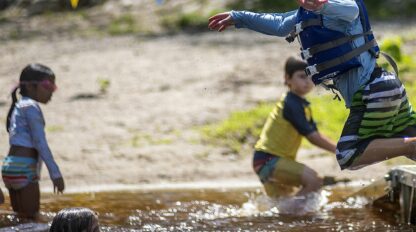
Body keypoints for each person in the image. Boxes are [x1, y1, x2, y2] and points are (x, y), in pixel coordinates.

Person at [208, 0, 416, 171]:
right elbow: (280, 24)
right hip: (388, 85)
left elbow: (351, 10)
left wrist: (323, 5)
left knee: (348, 154)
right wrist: (239, 17)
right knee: (403, 138)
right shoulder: (307, 12)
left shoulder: (340, 7)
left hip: (373, 92)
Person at [253, 57, 336, 197]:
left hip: (268, 161)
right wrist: (339, 151)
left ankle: (294, 217)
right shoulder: (292, 104)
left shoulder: (300, 104)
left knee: (284, 209)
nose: (308, 81)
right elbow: (313, 137)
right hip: (269, 161)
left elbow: (316, 133)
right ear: (287, 78)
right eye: (302, 76)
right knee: (314, 181)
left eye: (311, 76)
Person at [1, 63, 65, 218]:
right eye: (48, 85)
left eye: (53, 87)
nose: (51, 91)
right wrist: (55, 174)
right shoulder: (31, 107)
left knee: (20, 220)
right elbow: (40, 143)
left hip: (10, 167)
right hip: (25, 168)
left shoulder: (18, 106)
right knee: (32, 220)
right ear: (30, 86)